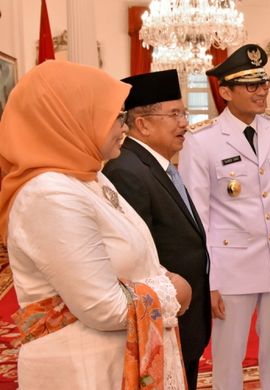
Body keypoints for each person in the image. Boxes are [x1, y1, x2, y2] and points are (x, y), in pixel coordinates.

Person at [0, 60, 191, 388]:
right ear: (72, 118)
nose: (125, 127)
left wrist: (154, 281)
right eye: (116, 116)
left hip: (112, 361)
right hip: (84, 370)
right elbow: (105, 308)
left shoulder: (89, 176)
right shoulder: (49, 193)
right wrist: (175, 290)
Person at [178, 44, 270, 390]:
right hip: (231, 267)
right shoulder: (203, 140)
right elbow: (198, 218)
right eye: (250, 85)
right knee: (228, 358)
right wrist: (209, 281)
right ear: (225, 92)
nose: (262, 91)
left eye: (263, 82)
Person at [103, 69, 211, 390]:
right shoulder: (127, 171)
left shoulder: (157, 165)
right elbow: (136, 260)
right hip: (161, 322)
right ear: (143, 124)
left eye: (184, 113)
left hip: (180, 318)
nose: (185, 123)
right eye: (174, 114)